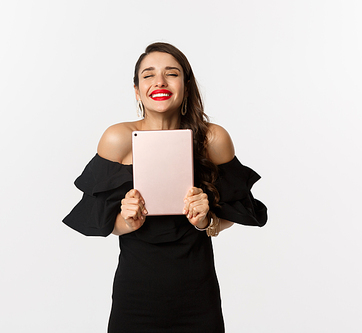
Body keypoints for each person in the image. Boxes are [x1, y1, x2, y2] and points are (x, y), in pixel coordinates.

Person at [63, 42, 268, 333]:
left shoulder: (213, 140)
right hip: (135, 294)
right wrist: (127, 221)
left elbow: (238, 209)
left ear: (185, 85)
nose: (159, 81)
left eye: (171, 73)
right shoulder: (117, 138)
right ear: (137, 90)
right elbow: (100, 220)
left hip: (198, 295)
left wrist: (207, 220)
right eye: (148, 75)